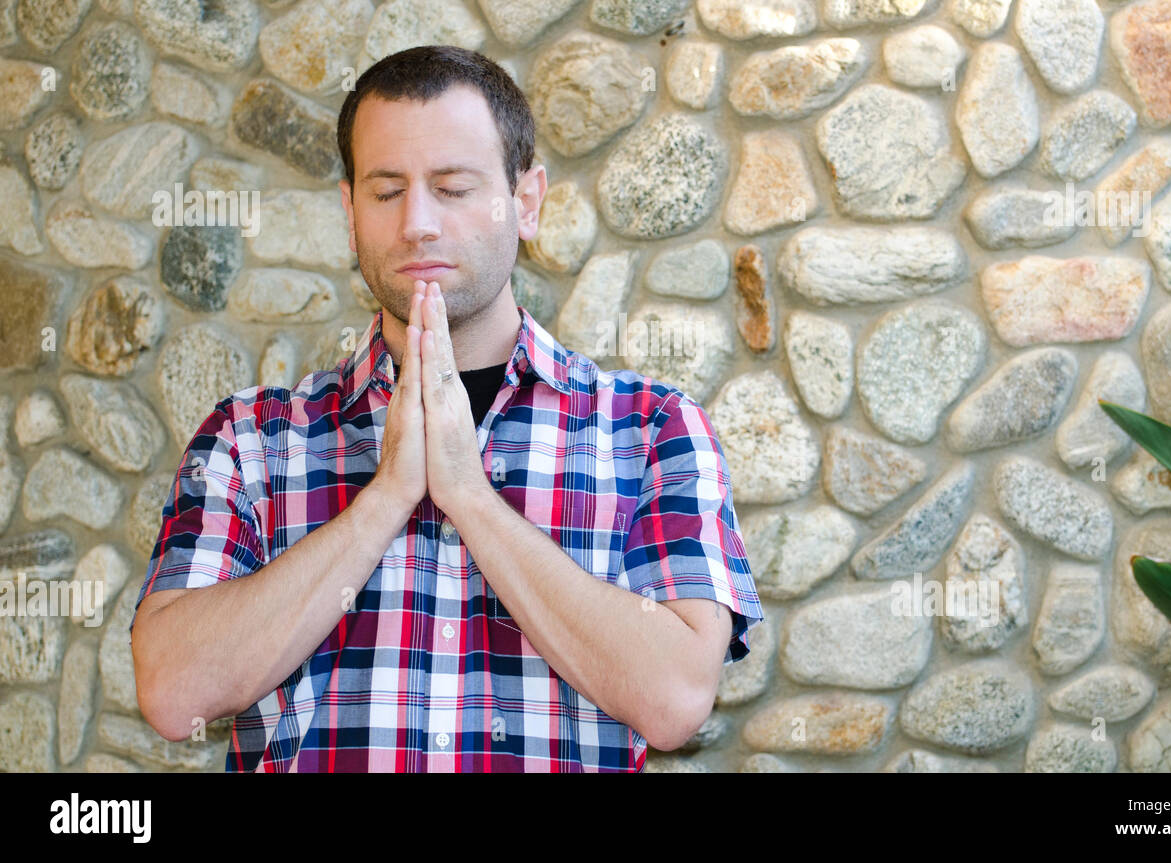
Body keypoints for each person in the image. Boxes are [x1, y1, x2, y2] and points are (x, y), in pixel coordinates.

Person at [129, 45, 764, 772]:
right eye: (386, 190)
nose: (417, 224)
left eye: (453, 187)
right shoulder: (249, 437)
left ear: (525, 203)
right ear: (350, 211)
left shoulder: (651, 429)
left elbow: (675, 697)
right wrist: (387, 495)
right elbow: (175, 692)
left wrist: (467, 494)